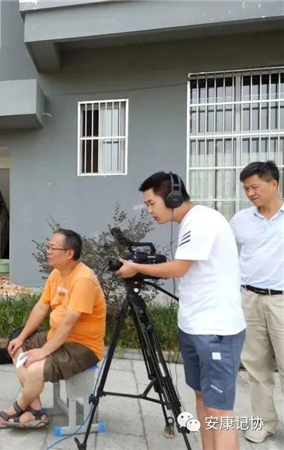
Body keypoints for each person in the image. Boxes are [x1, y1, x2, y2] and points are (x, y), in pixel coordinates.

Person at [117, 171, 246, 450]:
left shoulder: (202, 221)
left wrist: (136, 267)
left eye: (151, 203)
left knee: (219, 411)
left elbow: (178, 268)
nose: (149, 210)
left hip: (217, 329)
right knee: (201, 397)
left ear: (172, 197)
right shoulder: (191, 222)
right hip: (194, 325)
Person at [0, 229, 106, 429]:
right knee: (16, 346)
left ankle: (20, 406)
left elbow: (69, 322)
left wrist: (43, 352)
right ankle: (35, 409)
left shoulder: (83, 280)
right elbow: (41, 307)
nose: (48, 251)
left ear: (69, 253)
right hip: (58, 336)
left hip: (82, 346)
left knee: (34, 367)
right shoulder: (56, 274)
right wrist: (22, 337)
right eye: (48, 246)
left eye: (53, 248)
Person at [229, 161, 284, 444]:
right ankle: (264, 422)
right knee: (255, 365)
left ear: (273, 184)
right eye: (246, 189)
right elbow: (226, 255)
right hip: (249, 299)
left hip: (282, 301)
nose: (250, 193)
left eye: (254, 187)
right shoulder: (240, 220)